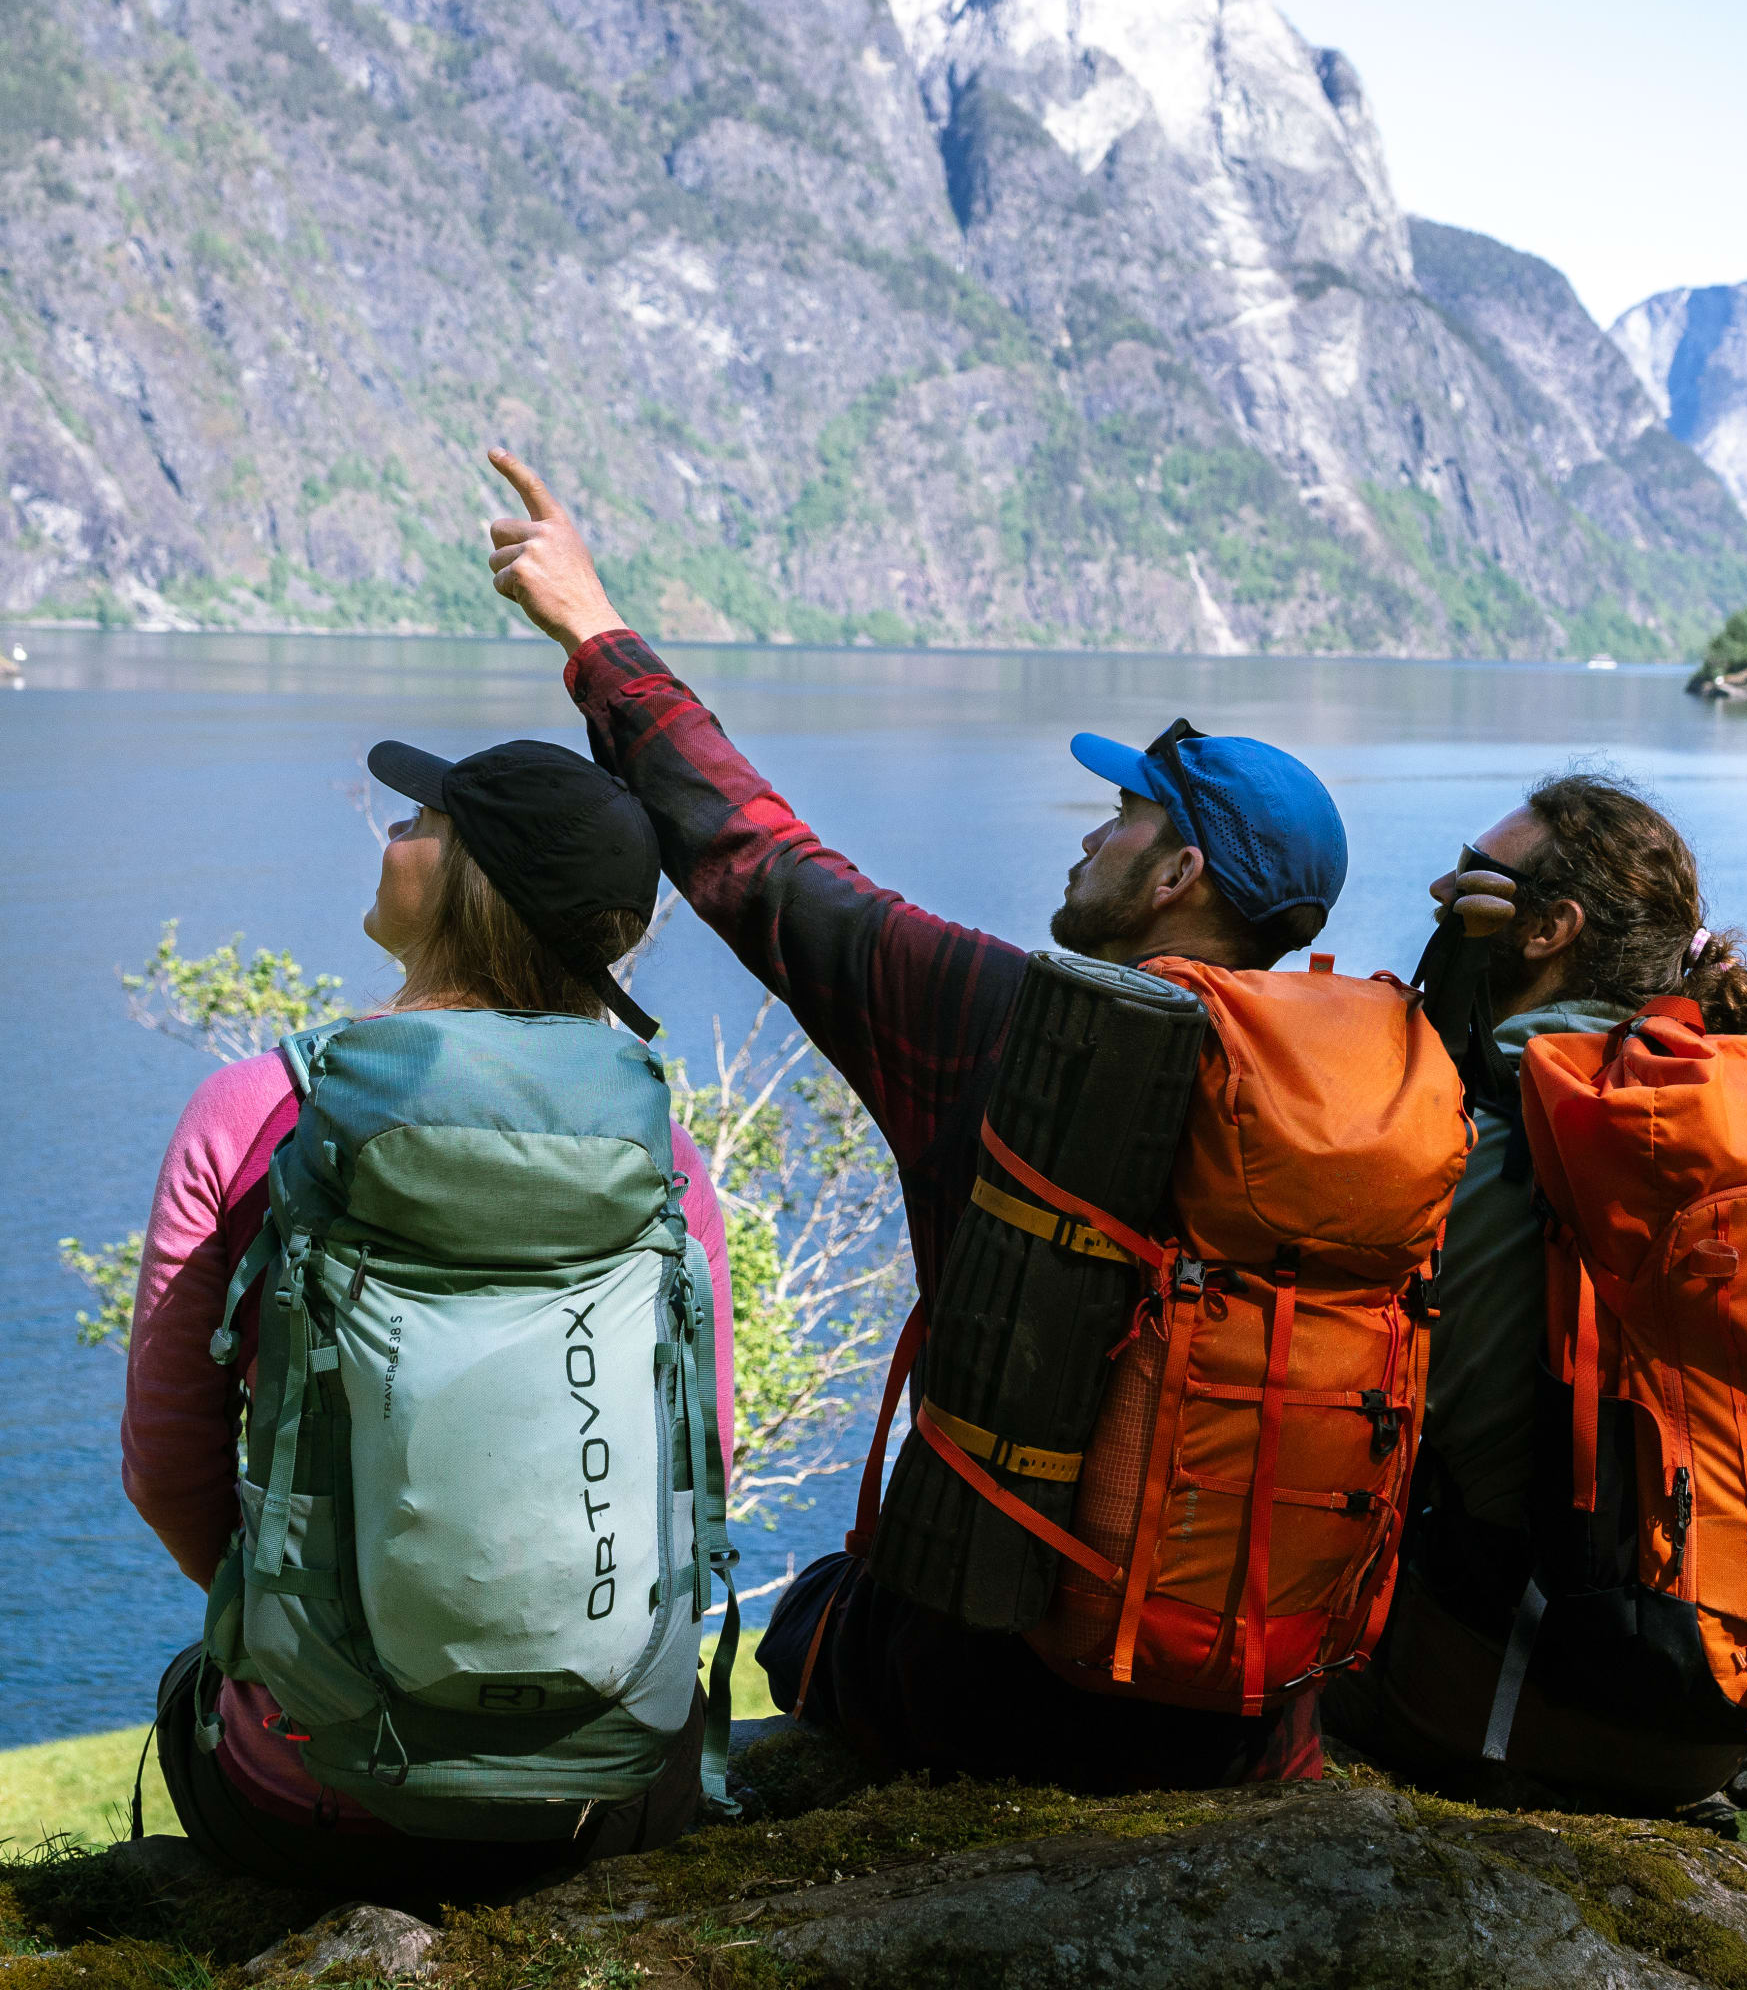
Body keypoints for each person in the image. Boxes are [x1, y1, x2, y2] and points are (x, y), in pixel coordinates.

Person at [473, 447, 1341, 1792]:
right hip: (1252, 1710)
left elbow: (759, 860)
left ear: (1176, 873)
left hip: (1003, 1692)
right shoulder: (1366, 1110)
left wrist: (595, 633)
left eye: (1121, 816)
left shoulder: (1008, 1027)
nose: (1088, 834)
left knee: (815, 1620)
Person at [121, 737, 738, 1895]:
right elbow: (708, 1455)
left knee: (185, 1692)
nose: (392, 831)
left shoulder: (259, 1110)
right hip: (604, 1792)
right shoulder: (662, 1153)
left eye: (421, 821)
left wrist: (300, 1634)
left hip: (315, 1793)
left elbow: (166, 1470)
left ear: (469, 879)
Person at [1324, 775, 1747, 1809]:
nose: (1444, 888)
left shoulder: (1487, 1149)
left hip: (1518, 1709)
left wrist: (1436, 994)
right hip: (1723, 1705)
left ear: (1547, 928)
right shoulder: (1737, 1108)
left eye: (1473, 878)